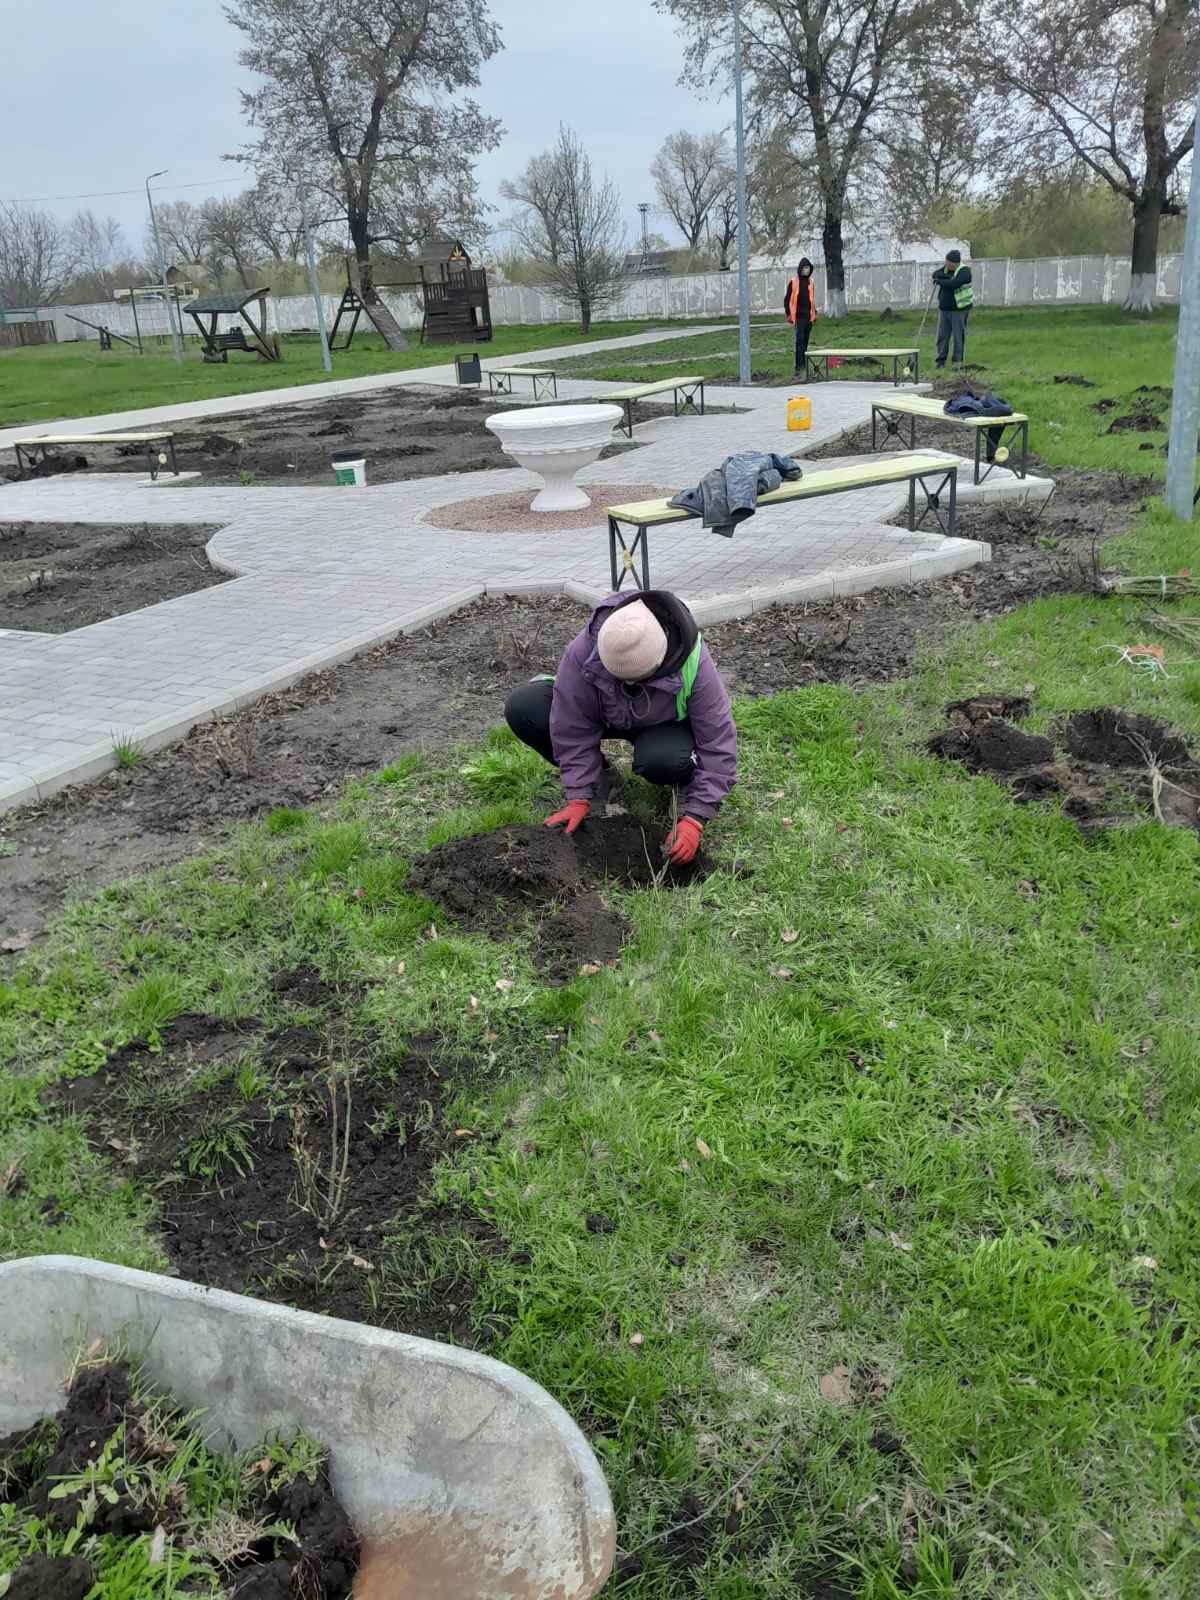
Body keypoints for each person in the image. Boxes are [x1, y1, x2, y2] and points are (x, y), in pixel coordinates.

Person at [504, 590, 737, 866]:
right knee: (525, 708)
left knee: (665, 759)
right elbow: (570, 725)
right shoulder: (586, 649)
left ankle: (684, 787)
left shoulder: (692, 660)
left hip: (663, 727)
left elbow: (717, 741)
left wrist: (697, 817)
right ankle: (603, 778)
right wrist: (580, 794)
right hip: (606, 716)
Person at [932, 249, 973, 369]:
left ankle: (957, 362)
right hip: (944, 309)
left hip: (959, 309)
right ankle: (940, 361)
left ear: (955, 263)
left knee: (958, 336)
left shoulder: (965, 271)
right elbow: (935, 274)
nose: (946, 264)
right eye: (946, 261)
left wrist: (941, 281)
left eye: (948, 263)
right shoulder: (946, 269)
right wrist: (943, 278)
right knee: (942, 336)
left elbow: (954, 284)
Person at [785, 258, 818, 374]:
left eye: (808, 268)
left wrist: (815, 312)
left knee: (805, 342)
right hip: (798, 316)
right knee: (799, 341)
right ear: (800, 268)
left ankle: (804, 364)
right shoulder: (793, 281)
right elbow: (787, 299)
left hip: (809, 316)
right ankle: (798, 367)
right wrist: (788, 313)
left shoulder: (811, 282)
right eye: (804, 268)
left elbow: (812, 299)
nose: (806, 270)